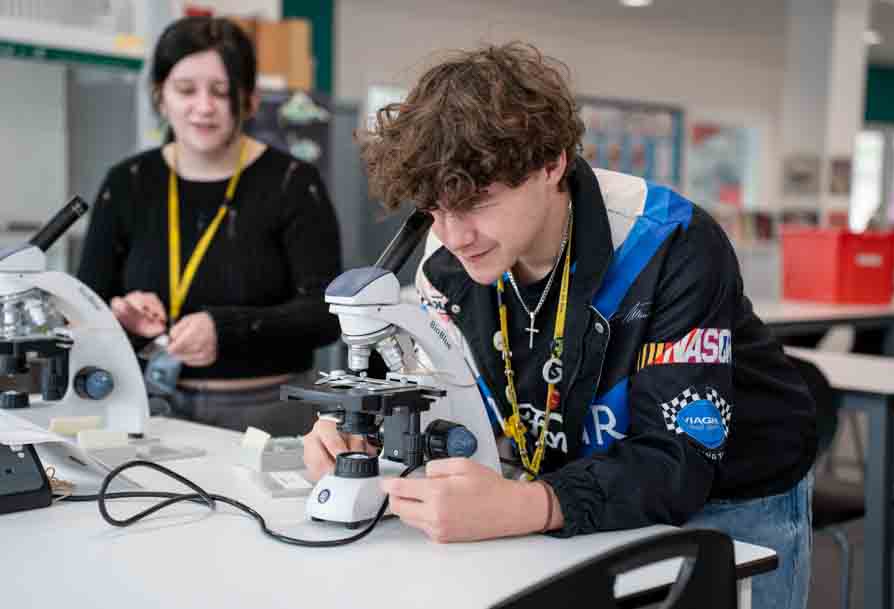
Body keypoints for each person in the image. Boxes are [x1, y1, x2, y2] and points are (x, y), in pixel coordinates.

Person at [301, 42, 816, 609]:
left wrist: (531, 505)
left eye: (478, 201)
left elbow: (680, 457)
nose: (454, 234)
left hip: (732, 498)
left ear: (552, 163)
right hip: (571, 484)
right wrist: (360, 437)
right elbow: (444, 397)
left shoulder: (669, 241)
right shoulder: (442, 263)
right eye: (434, 208)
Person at [77, 16, 341, 436]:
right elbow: (84, 304)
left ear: (249, 100)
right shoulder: (127, 183)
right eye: (185, 90)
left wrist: (229, 329)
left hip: (269, 415)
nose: (203, 107)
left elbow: (327, 315)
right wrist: (121, 315)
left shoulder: (292, 183)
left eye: (221, 92)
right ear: (160, 96)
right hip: (148, 407)